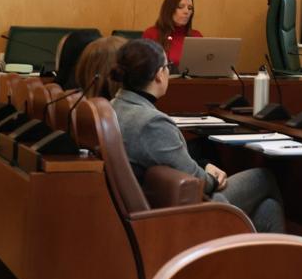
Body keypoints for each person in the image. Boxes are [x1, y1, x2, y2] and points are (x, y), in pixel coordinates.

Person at [110, 38, 284, 233]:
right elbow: (197, 181)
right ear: (159, 75)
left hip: (151, 206)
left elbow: (169, 161)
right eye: (168, 66)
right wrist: (213, 178)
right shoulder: (152, 123)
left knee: (268, 208)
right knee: (264, 177)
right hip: (184, 212)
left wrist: (204, 165)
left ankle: (262, 261)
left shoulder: (113, 106)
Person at [142, 0, 203, 69]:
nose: (186, 11)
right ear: (169, 9)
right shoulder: (151, 34)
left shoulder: (196, 36)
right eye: (181, 7)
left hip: (193, 81)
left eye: (190, 8)